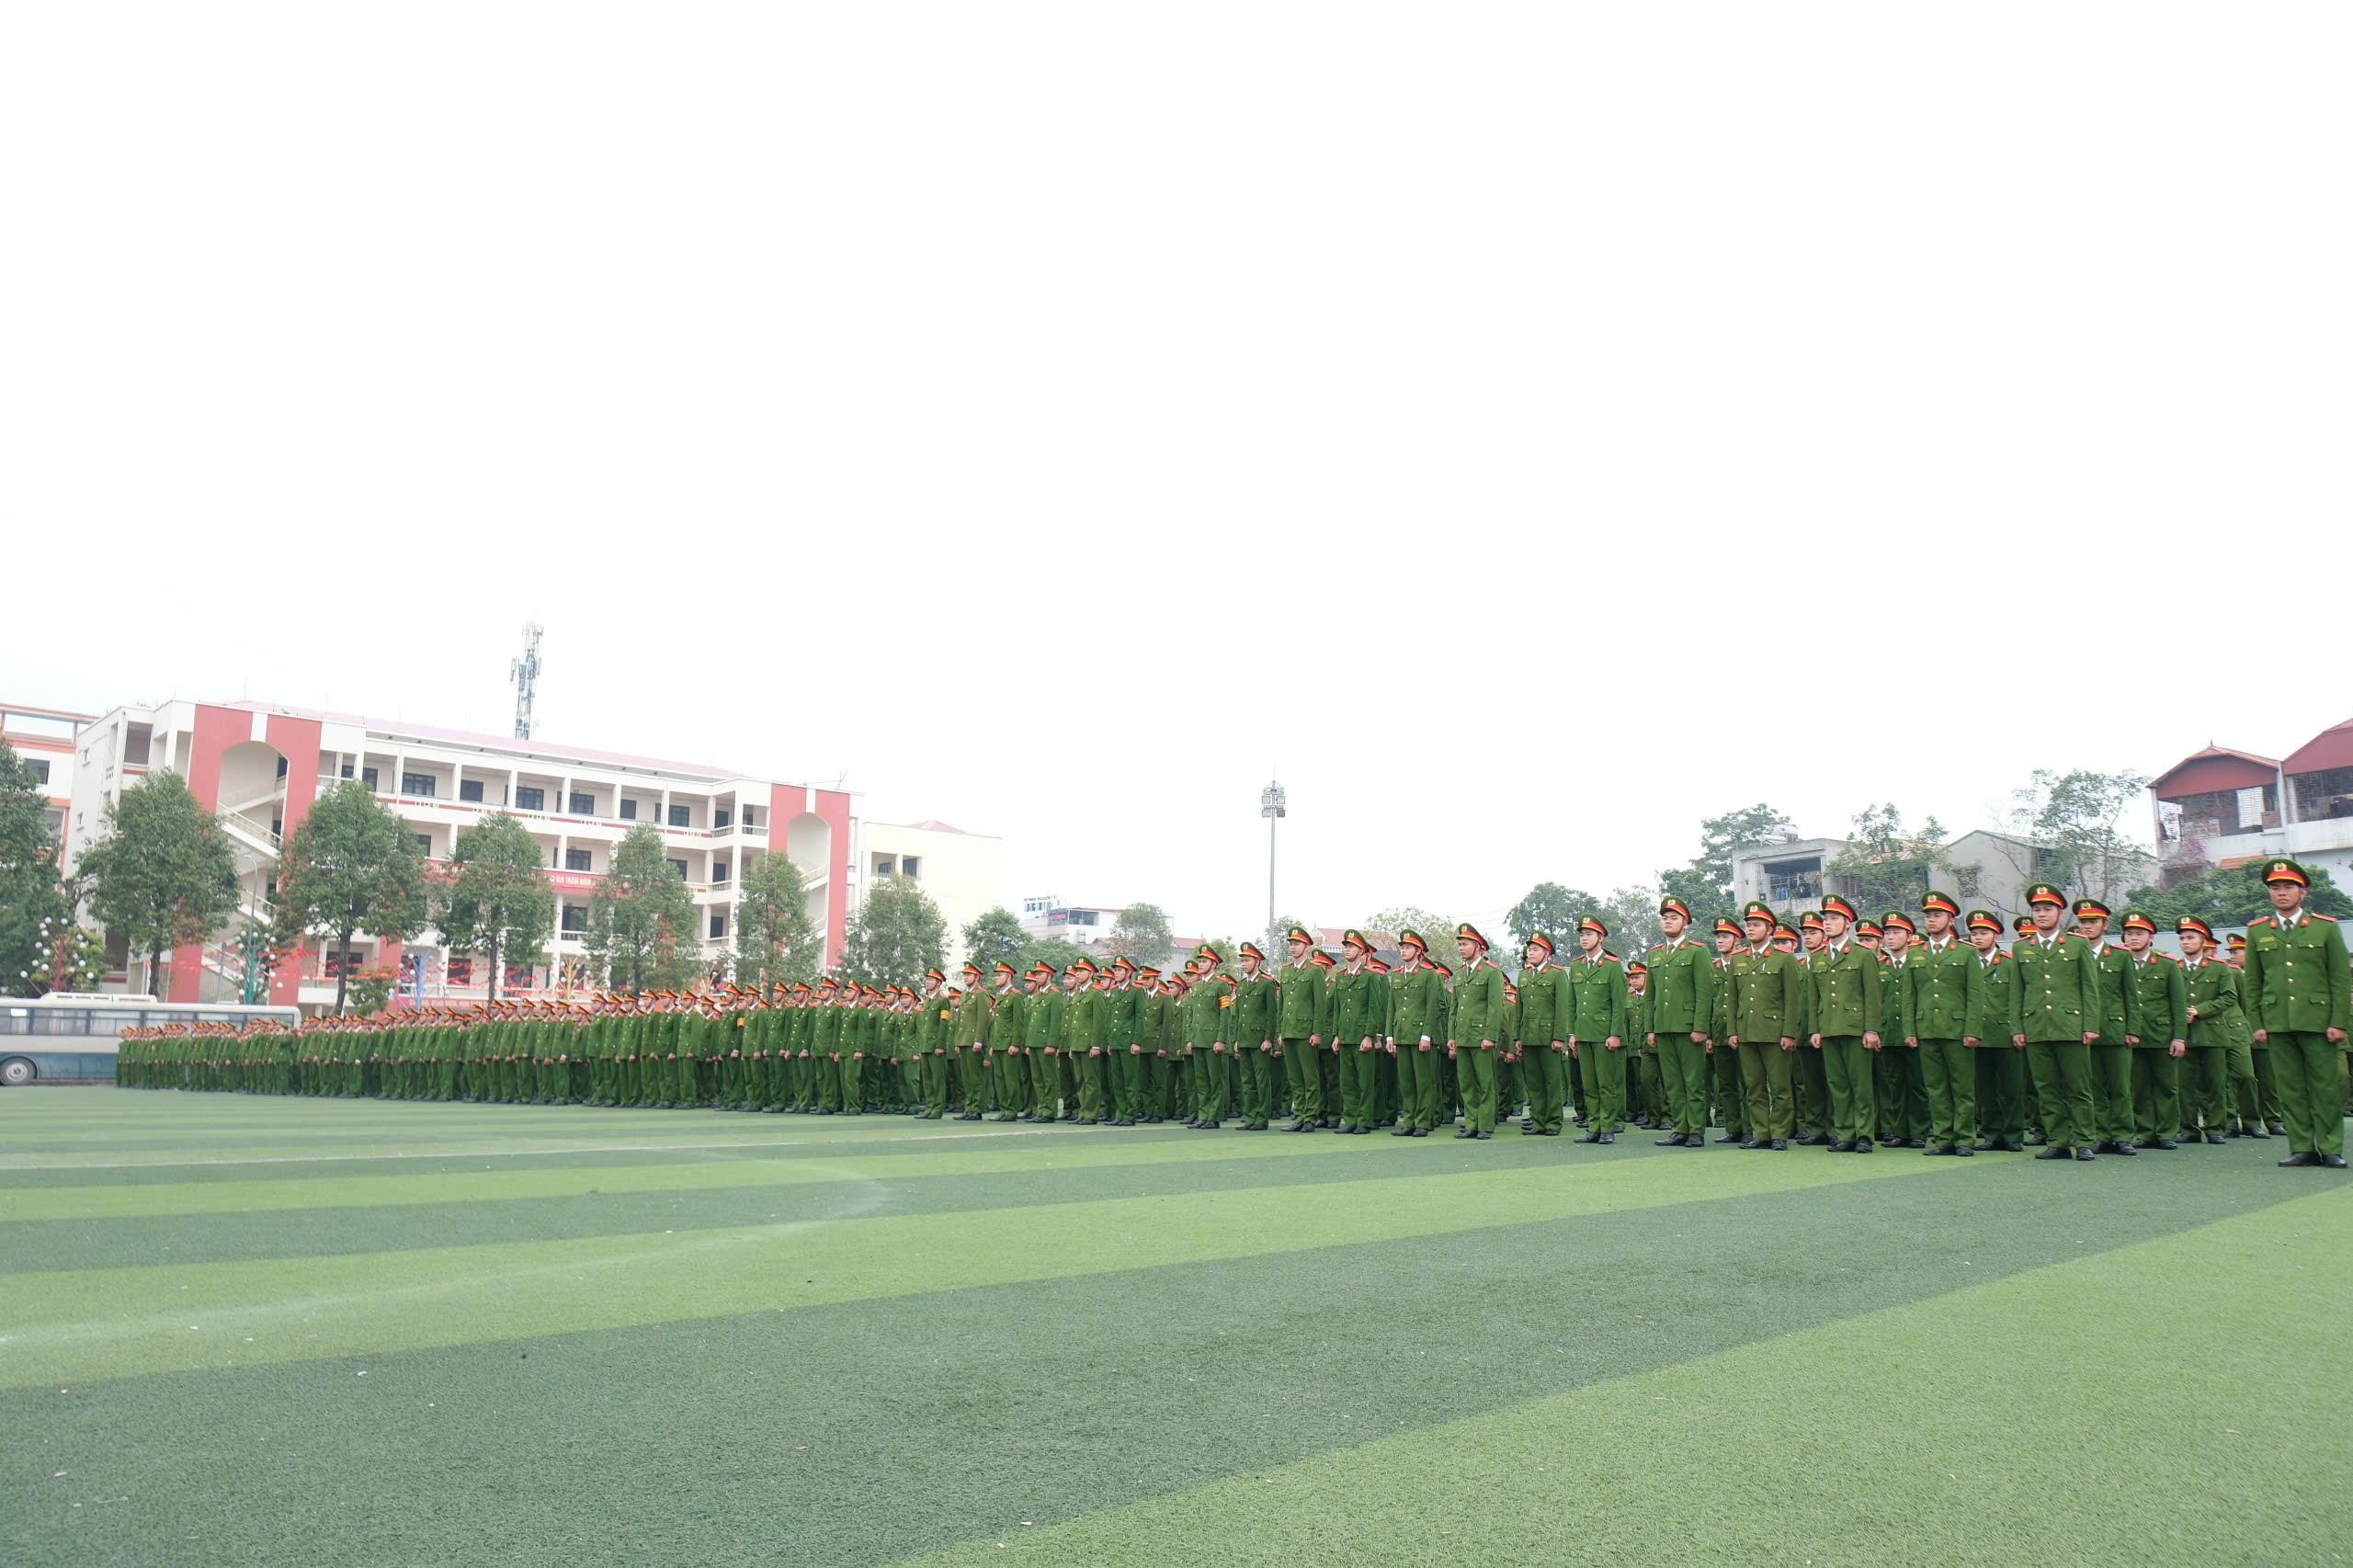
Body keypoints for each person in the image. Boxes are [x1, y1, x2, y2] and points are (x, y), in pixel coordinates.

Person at [2241, 858, 2351, 1168]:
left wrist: (2338, 1021)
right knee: (2290, 1089)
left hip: (2318, 1022)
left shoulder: (2325, 928)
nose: (2281, 892)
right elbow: (2253, 982)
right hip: (2277, 1021)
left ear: (2303, 892)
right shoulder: (2258, 931)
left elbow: (2339, 979)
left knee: (2326, 1087)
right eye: (2275, 887)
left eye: (2289, 886)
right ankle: (2302, 1146)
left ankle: (2330, 1148)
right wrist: (2257, 1023)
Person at [2010, 882, 2102, 1161]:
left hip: (2070, 1026)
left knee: (2078, 1087)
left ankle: (2084, 1140)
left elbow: (2090, 988)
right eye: (2037, 909)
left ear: (2059, 913)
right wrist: (2017, 1028)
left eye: (2047, 909)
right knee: (2046, 1088)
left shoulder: (2077, 944)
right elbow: (2017, 992)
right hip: (2036, 1026)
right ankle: (2058, 1140)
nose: (2042, 914)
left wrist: (2090, 1025)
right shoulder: (2021, 948)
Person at [1906, 892, 1984, 1155]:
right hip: (1927, 1028)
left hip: (1957, 1030)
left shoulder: (1966, 952)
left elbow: (1975, 994)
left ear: (1950, 919)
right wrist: (1910, 1030)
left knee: (1962, 1088)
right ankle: (1943, 1138)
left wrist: (1972, 1029)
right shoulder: (1916, 953)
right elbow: (1909, 995)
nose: (1931, 920)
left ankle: (1964, 1139)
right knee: (1936, 1088)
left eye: (1937, 915)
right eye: (1928, 916)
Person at [1808, 895, 1881, 1152]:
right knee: (1838, 1085)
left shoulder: (1863, 955)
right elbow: (1813, 998)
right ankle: (1845, 1134)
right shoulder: (1817, 957)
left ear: (1847, 923)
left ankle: (1864, 1135)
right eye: (1826, 919)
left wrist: (1872, 1029)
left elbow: (1873, 996)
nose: (1828, 923)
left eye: (1834, 918)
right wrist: (1814, 1029)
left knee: (1861, 1085)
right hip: (1829, 1027)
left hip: (1855, 1028)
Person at [1725, 901, 1800, 1149]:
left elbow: (1792, 1000)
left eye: (1757, 925)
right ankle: (1761, 1133)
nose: (1751, 929)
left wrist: (1789, 1033)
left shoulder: (1783, 958)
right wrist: (1732, 1031)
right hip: (1746, 1032)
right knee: (1753, 1086)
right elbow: (1732, 999)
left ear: (1770, 929)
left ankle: (1779, 1134)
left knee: (1780, 1087)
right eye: (1748, 924)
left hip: (1774, 1032)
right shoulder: (1738, 959)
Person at [2074, 899, 2139, 1155]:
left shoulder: (2120, 956)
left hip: (2114, 1029)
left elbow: (2131, 996)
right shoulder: (2072, 954)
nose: (2087, 926)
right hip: (2082, 1030)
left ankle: (2123, 1135)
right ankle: (2102, 1134)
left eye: (2093, 922)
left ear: (2105, 924)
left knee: (2120, 1087)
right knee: (2094, 1087)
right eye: (2083, 922)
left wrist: (2133, 1029)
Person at [2120, 911, 2187, 1150]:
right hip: (2131, 1035)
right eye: (2129, 933)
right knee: (2138, 1087)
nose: (2134, 938)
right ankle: (2145, 1131)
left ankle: (2167, 1132)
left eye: (2139, 933)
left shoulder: (2167, 965)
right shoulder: (2120, 962)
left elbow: (2178, 1003)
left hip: (2161, 1034)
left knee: (2166, 1086)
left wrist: (2179, 1037)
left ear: (2151, 937)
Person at [1567, 915, 1629, 1144]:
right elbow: (1572, 1003)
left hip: (1604, 1034)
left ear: (1600, 937)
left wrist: (1615, 1034)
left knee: (1606, 1084)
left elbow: (1619, 1004)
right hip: (1583, 1033)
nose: (1584, 938)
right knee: (1589, 1085)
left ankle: (1607, 1128)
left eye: (1589, 934)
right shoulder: (1576, 966)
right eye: (1582, 935)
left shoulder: (1612, 965)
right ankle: (1594, 1127)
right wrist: (1572, 1033)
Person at [1449, 924, 1507, 1139]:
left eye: (1465, 944)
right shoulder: (1459, 974)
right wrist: (1452, 1036)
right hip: (1463, 1036)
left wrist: (1490, 1036)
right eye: (1460, 945)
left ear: (1478, 946)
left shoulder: (1492, 972)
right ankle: (1471, 1123)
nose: (1461, 948)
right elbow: (1454, 1008)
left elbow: (1495, 1007)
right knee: (1466, 1084)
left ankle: (1485, 1125)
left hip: (1481, 1037)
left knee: (1485, 1083)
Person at [1387, 930, 1445, 1136]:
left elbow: (1432, 1007)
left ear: (1418, 951)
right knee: (1406, 1082)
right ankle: (1409, 1121)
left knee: (1423, 1081)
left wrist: (1426, 1035)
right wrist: (1390, 1035)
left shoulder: (1429, 975)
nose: (1403, 951)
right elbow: (1391, 1008)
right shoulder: (1396, 975)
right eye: (1402, 947)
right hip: (1402, 1034)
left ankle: (1423, 1122)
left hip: (1420, 1035)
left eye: (1408, 947)